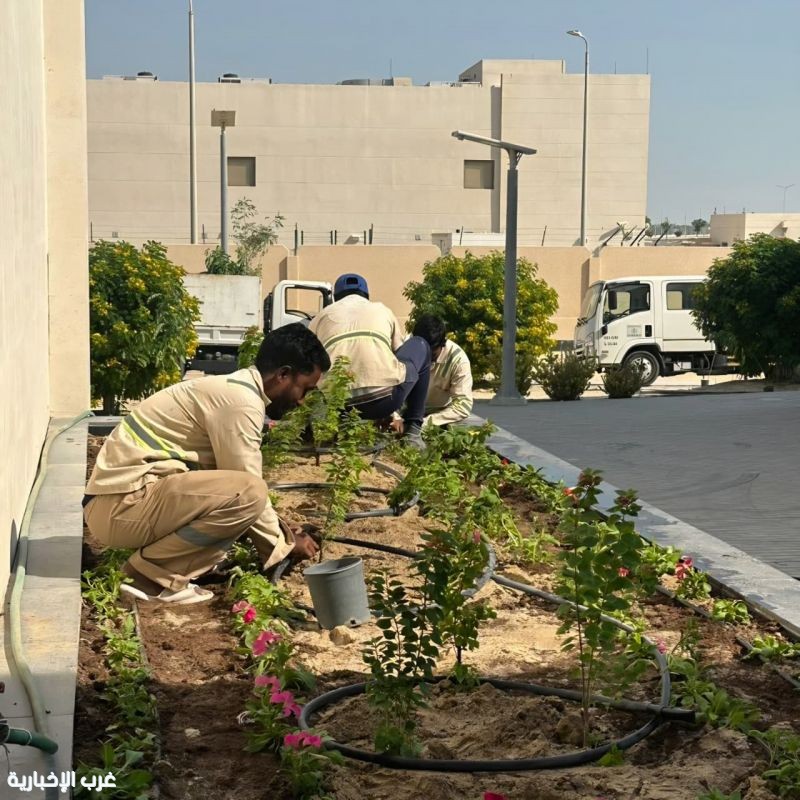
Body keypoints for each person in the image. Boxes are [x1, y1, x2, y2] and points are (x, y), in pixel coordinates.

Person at [83, 323, 330, 605]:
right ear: (283, 375)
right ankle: (150, 578)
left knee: (240, 494)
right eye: (304, 389)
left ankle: (173, 567)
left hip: (119, 502)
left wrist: (282, 528)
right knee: (249, 493)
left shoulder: (234, 390)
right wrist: (285, 545)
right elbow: (248, 487)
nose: (302, 402)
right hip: (122, 507)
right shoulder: (241, 403)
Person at [309, 273, 432, 445]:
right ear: (367, 296)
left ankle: (322, 431)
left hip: (337, 406)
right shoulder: (382, 310)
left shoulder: (321, 317)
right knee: (421, 345)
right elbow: (398, 354)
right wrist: (392, 413)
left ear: (335, 299)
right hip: (385, 400)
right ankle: (413, 430)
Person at [412, 314, 474, 427]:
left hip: (439, 413)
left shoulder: (458, 360)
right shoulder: (403, 349)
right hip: (406, 411)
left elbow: (463, 405)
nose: (425, 357)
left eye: (431, 353)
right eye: (421, 352)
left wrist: (424, 422)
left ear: (443, 344)